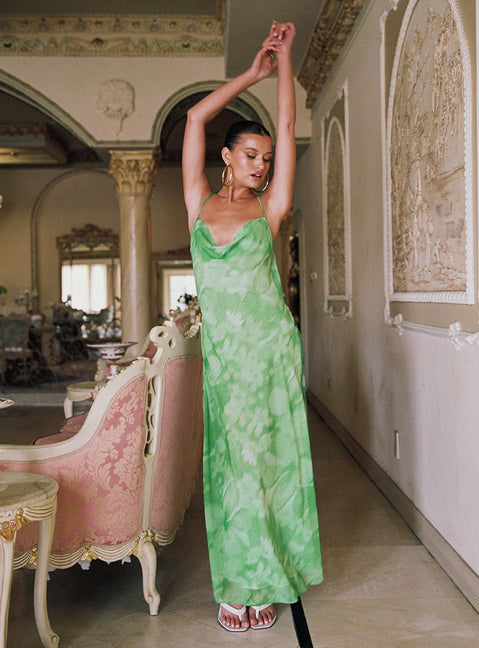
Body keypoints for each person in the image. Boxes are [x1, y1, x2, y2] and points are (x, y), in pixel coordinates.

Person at [182, 20, 323, 633]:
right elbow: (195, 118)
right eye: (250, 155)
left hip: (268, 350)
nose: (261, 165)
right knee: (230, 463)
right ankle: (237, 579)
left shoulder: (271, 209)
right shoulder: (197, 202)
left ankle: (262, 578)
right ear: (226, 156)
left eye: (266, 159)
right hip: (224, 358)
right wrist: (250, 74)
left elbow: (287, 127)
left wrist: (285, 60)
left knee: (266, 462)